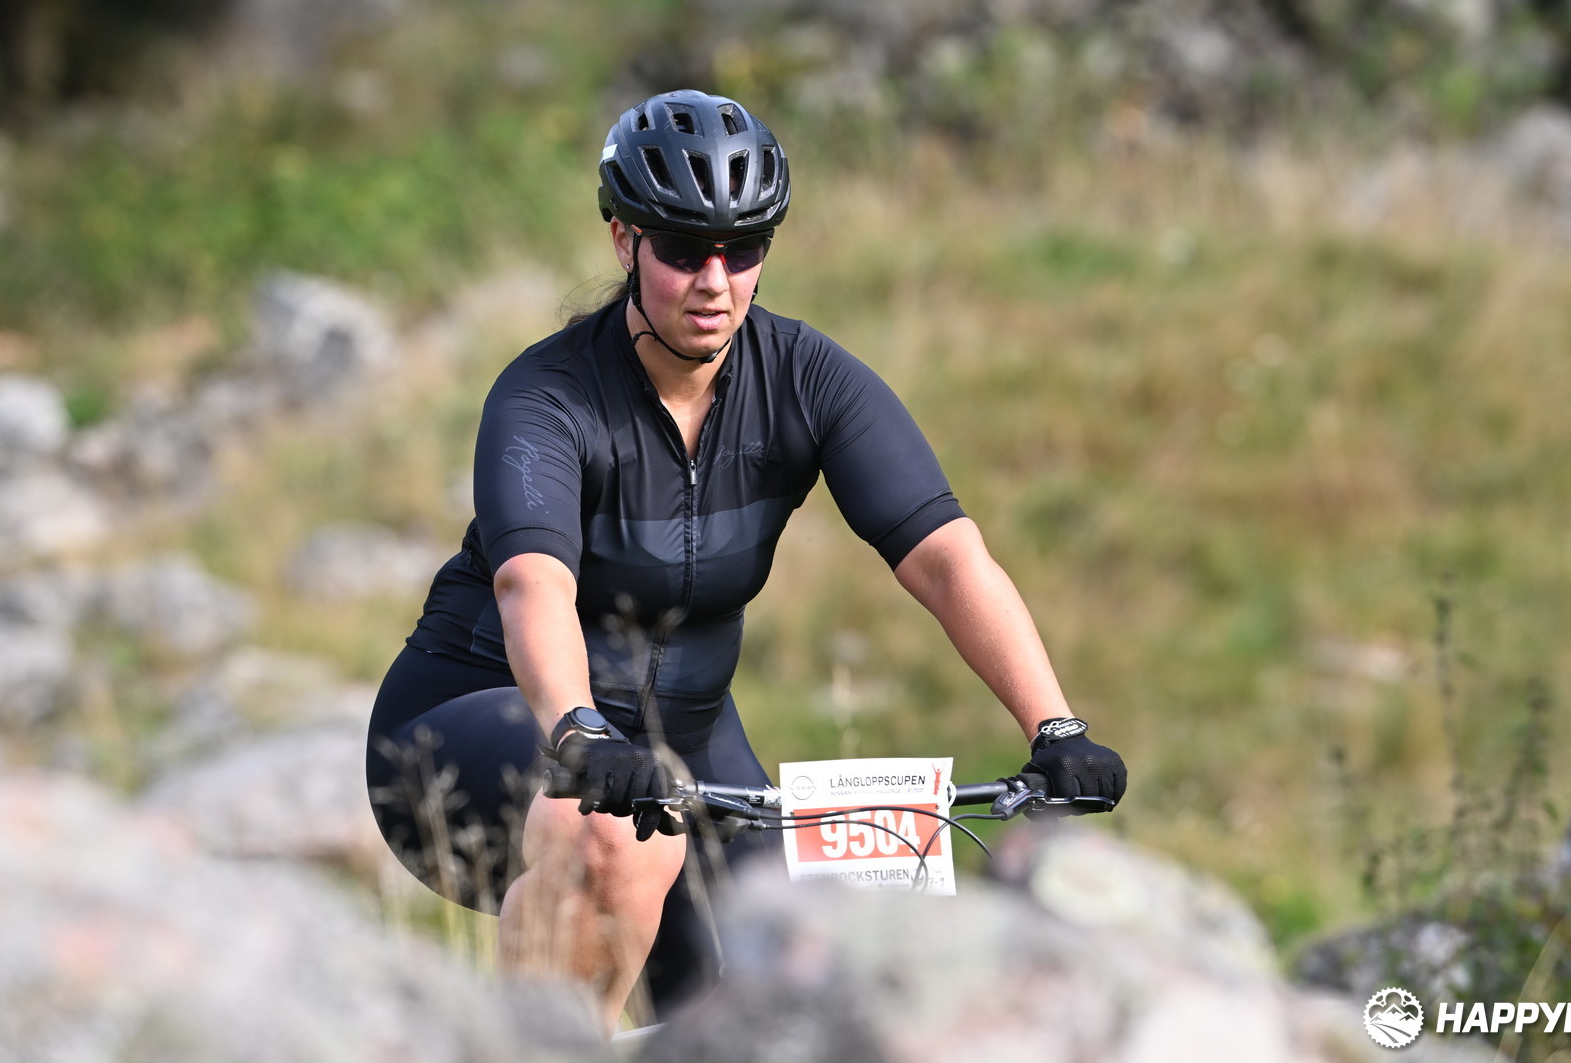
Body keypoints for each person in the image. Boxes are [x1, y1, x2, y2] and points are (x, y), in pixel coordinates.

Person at [365, 88, 1125, 1031]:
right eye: (684, 250)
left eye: (745, 248)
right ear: (624, 240)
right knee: (612, 835)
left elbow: (947, 560)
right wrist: (579, 732)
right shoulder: (546, 396)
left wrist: (1056, 725)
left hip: (681, 753)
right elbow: (533, 582)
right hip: (478, 723)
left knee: (797, 955)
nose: (715, 281)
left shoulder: (807, 377)